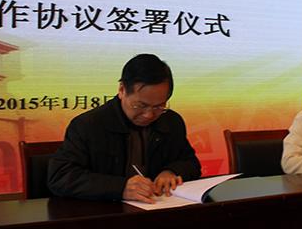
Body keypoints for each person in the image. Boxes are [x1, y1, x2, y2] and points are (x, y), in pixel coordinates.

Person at [48, 53, 201, 203]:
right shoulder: (88, 125)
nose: (149, 115)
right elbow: (60, 177)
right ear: (122, 90)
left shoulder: (171, 121)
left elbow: (191, 163)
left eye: (159, 106)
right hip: (106, 212)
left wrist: (171, 171)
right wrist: (121, 187)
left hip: (158, 208)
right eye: (140, 105)